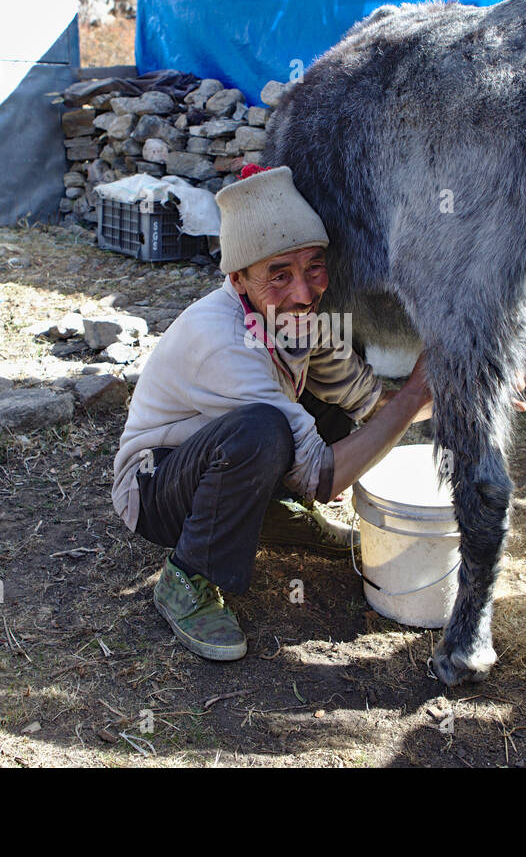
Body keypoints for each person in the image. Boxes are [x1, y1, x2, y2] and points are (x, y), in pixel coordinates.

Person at [110, 164, 433, 661]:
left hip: (214, 463)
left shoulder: (296, 321)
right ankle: (188, 576)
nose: (303, 293)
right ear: (238, 278)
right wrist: (413, 395)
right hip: (156, 490)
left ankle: (273, 515)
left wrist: (457, 389)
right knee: (263, 430)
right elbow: (322, 477)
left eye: (314, 267)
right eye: (278, 275)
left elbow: (370, 406)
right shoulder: (220, 342)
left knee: (323, 401)